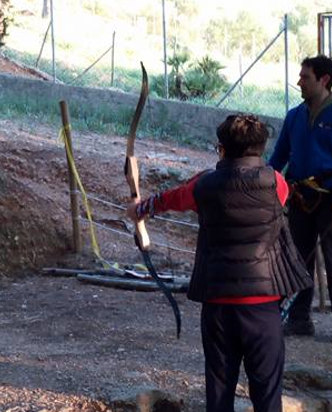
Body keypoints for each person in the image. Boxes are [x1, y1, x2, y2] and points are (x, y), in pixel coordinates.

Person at [128, 114, 312, 412]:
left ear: (221, 148)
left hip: (219, 306)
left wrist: (141, 208)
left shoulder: (204, 185)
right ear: (261, 148)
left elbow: (171, 198)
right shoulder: (277, 183)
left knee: (219, 392)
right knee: (267, 396)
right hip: (263, 305)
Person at [268, 55, 332, 346]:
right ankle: (300, 319)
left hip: (331, 198)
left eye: (305, 77)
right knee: (300, 258)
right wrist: (263, 181)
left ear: (324, 79)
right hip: (299, 196)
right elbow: (278, 158)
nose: (299, 81)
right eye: (300, 76)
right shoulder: (294, 116)